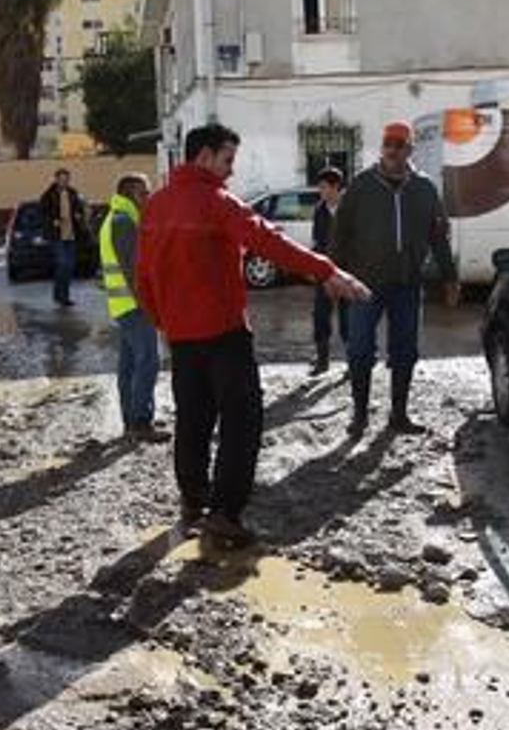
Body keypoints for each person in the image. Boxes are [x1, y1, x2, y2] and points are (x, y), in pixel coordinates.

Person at [138, 124, 371, 549]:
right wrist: (328, 272)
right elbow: (267, 241)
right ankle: (224, 513)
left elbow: (144, 278)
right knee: (242, 421)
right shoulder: (217, 203)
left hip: (182, 339)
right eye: (227, 160)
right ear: (204, 157)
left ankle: (193, 502)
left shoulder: (155, 207)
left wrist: (165, 323)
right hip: (225, 334)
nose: (230, 171)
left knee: (192, 420)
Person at [332, 120, 460, 437]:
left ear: (409, 150)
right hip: (364, 284)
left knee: (405, 350)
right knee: (360, 350)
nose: (391, 150)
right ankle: (360, 415)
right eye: (387, 143)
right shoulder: (360, 186)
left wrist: (450, 278)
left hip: (407, 283)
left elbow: (439, 236)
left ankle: (398, 415)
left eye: (398, 145)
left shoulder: (425, 188)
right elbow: (339, 235)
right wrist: (332, 275)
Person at [100, 172, 168, 444]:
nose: (148, 198)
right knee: (148, 362)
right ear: (129, 194)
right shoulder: (123, 222)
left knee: (129, 366)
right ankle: (141, 422)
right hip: (135, 307)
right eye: (144, 193)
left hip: (124, 306)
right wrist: (151, 306)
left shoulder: (116, 219)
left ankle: (131, 420)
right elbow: (134, 273)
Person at [309, 167, 348, 376]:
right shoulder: (319, 210)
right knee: (320, 315)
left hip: (348, 272)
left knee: (348, 318)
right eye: (320, 187)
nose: (321, 191)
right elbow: (317, 241)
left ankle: (354, 361)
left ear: (335, 187)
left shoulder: (350, 208)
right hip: (324, 272)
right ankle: (322, 360)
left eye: (324, 187)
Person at [39, 168, 88, 307]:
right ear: (56, 179)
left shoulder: (73, 193)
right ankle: (59, 296)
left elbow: (79, 208)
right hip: (57, 236)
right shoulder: (48, 195)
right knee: (62, 264)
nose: (64, 181)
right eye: (61, 179)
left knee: (69, 266)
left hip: (71, 234)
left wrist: (79, 215)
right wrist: (52, 221)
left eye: (66, 179)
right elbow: (42, 213)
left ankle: (64, 296)